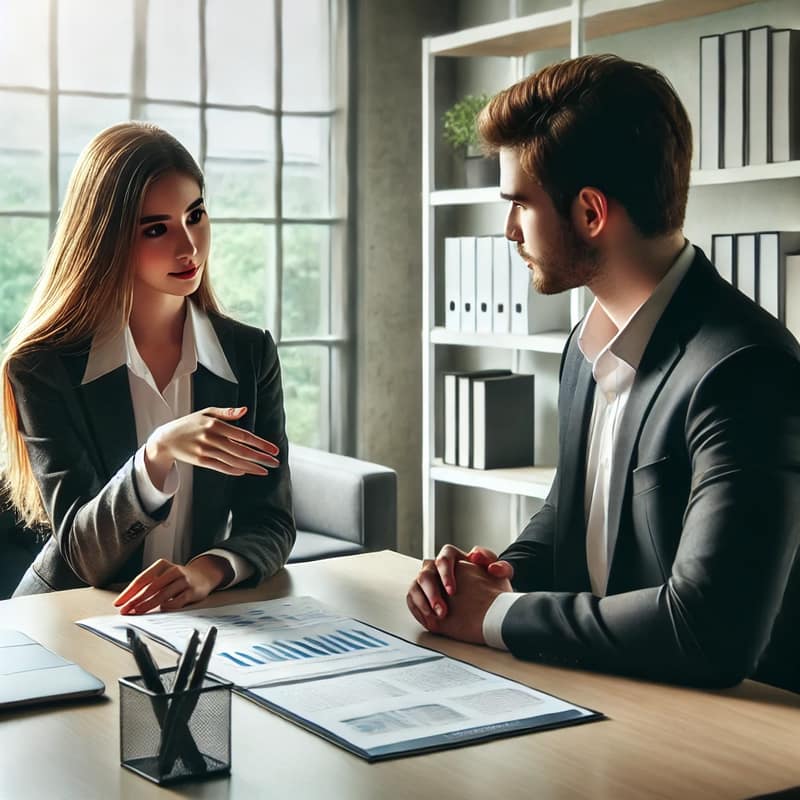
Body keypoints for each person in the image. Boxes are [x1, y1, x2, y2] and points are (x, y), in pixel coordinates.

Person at [407, 55, 800, 692]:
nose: (508, 230)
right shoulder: (585, 348)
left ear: (590, 212)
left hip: (737, 740)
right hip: (616, 695)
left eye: (520, 205)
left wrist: (497, 615)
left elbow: (709, 631)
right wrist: (480, 582)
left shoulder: (744, 371)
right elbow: (569, 519)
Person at [1, 122, 295, 613]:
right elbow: (83, 555)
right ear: (106, 237)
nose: (189, 246)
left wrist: (206, 571)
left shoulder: (249, 354)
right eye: (156, 228)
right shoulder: (43, 367)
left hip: (194, 617)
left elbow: (271, 520)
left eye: (195, 215)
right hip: (65, 617)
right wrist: (157, 453)